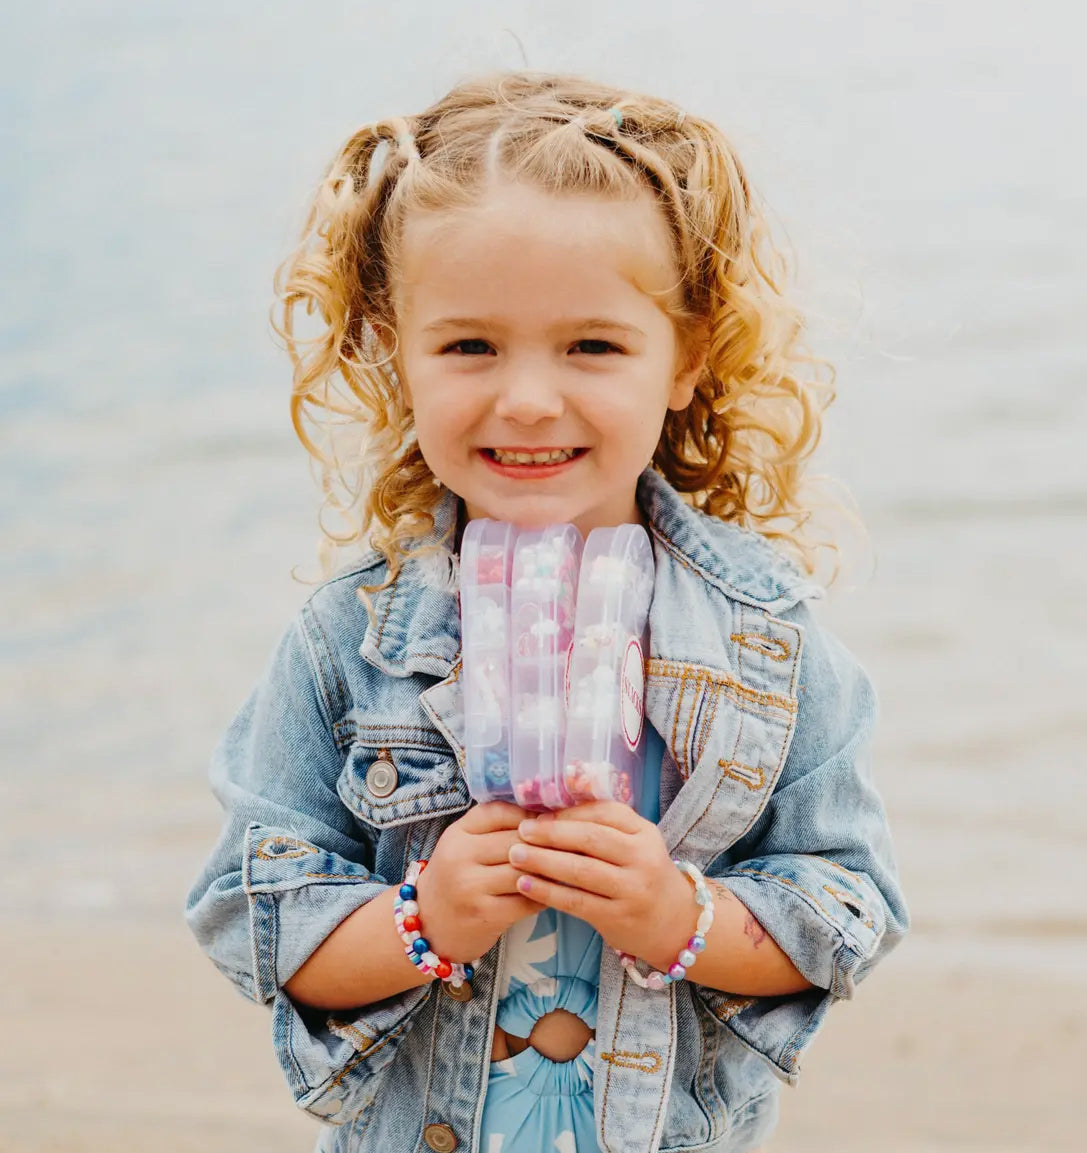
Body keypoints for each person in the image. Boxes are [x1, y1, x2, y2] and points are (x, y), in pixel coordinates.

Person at [185, 71, 908, 1153]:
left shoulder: (771, 642)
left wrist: (680, 918)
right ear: (396, 349)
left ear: (688, 354)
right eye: (470, 345)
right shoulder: (349, 645)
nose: (527, 396)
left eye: (593, 345)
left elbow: (846, 911)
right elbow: (254, 915)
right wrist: (423, 923)